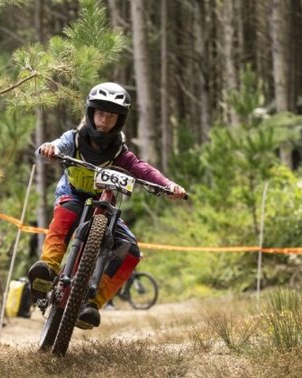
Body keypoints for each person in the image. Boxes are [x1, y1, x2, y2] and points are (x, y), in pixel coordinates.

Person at [28, 82, 186, 329]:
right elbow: (58, 144)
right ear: (91, 113)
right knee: (69, 211)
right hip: (73, 196)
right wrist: (51, 149)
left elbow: (142, 169)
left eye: (111, 116)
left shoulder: (120, 152)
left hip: (104, 207)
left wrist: (168, 184)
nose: (104, 120)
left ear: (119, 120)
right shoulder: (74, 139)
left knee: (130, 250)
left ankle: (91, 302)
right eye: (100, 113)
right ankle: (47, 269)